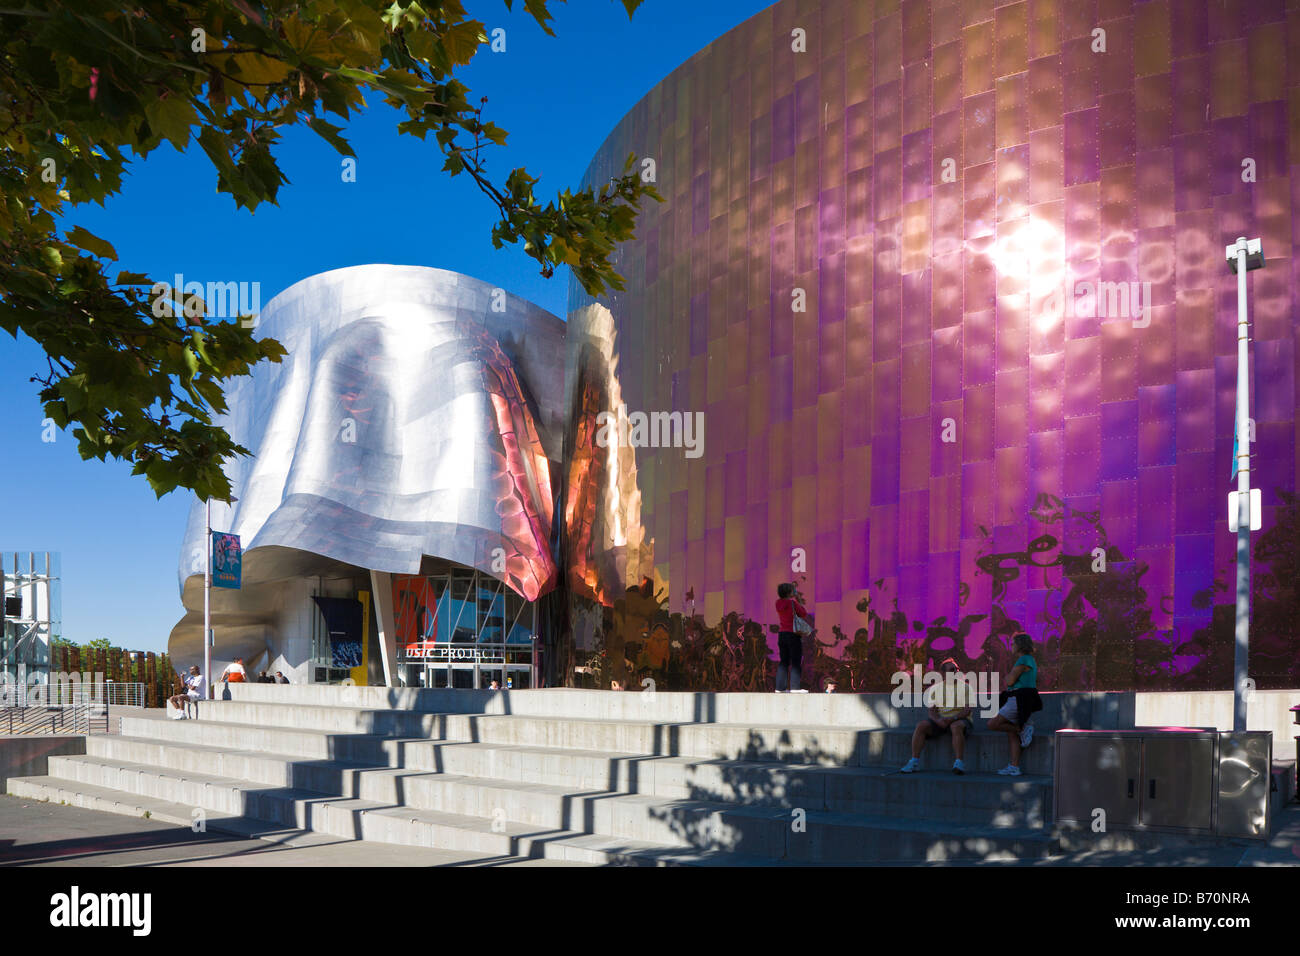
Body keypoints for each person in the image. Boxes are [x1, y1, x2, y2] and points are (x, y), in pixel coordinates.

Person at [900, 658, 973, 775]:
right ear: (943, 673)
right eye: (952, 669)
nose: (955, 672)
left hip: (960, 720)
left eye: (957, 669)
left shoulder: (965, 687)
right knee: (921, 726)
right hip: (942, 721)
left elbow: (967, 710)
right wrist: (938, 720)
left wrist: (953, 718)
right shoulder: (935, 689)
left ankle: (959, 763)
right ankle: (914, 762)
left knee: (955, 726)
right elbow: (932, 711)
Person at [987, 633, 1041, 776]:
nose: (1011, 646)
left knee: (992, 724)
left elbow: (1010, 681)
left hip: (1018, 698)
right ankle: (1014, 766)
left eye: (1013, 643)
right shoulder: (1027, 659)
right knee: (1010, 733)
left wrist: (1009, 677)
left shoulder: (1024, 659)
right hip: (1020, 697)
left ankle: (1021, 728)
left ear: (1020, 645)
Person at [773, 582, 812, 693]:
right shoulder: (792, 603)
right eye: (792, 590)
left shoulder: (778, 603)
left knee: (783, 661)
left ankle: (780, 688)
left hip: (782, 634)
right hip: (793, 634)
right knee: (795, 661)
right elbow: (803, 613)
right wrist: (798, 599)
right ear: (790, 593)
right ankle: (795, 687)